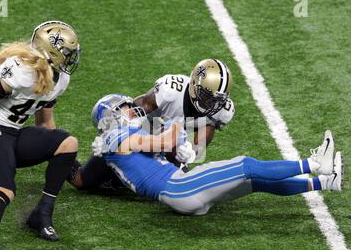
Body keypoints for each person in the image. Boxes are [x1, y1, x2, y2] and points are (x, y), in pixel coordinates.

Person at [90, 94, 343, 216]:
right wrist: (175, 126)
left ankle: (325, 182)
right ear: (112, 115)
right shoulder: (114, 138)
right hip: (179, 187)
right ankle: (315, 163)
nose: (132, 108)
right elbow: (163, 141)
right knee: (246, 165)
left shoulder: (116, 140)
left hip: (178, 193)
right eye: (125, 107)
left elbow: (163, 145)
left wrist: (176, 138)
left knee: (253, 182)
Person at [0, 21, 81, 250]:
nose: (71, 58)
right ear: (52, 51)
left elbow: (44, 123)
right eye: (67, 52)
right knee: (5, 190)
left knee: (68, 143)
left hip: (14, 132)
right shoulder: (22, 70)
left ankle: (41, 215)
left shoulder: (60, 78)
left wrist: (66, 160)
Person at [70, 58, 235, 190]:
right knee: (82, 180)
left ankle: (121, 178)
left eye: (217, 100)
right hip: (143, 134)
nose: (212, 104)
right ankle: (60, 152)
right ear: (194, 86)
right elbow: (137, 109)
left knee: (184, 185)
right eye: (207, 96)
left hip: (171, 147)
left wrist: (189, 151)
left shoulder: (222, 111)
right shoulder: (171, 90)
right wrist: (114, 135)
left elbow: (199, 145)